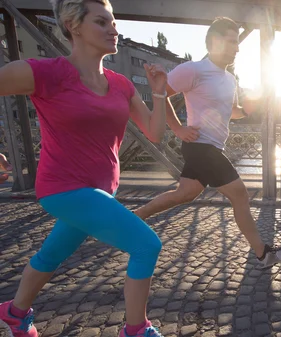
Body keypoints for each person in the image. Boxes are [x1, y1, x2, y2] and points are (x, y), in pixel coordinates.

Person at [0, 1, 168, 336]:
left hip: (103, 189)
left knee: (51, 255)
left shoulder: (121, 83)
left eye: (114, 22)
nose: (113, 29)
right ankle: (136, 329)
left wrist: (160, 94)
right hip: (62, 188)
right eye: (102, 22)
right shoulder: (46, 73)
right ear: (73, 25)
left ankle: (15, 313)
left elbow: (153, 131)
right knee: (146, 245)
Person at [134, 17, 281, 269]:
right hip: (200, 146)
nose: (237, 48)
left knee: (185, 194)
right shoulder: (193, 69)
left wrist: (251, 107)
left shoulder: (230, 79)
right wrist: (177, 128)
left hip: (212, 147)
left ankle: (135, 217)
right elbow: (161, 92)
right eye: (232, 42)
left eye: (238, 42)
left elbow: (232, 111)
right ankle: (263, 254)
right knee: (240, 195)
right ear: (214, 42)